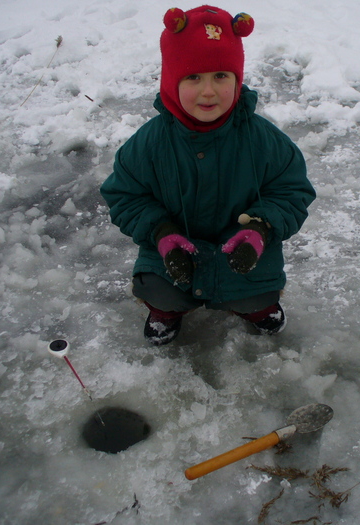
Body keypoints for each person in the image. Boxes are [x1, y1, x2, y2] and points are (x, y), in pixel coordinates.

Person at [100, 5, 315, 345]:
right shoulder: (148, 144)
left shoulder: (265, 141)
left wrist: (261, 229)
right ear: (172, 79)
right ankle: (166, 310)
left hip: (243, 254)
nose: (209, 91)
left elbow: (292, 192)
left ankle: (254, 305)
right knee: (161, 290)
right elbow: (125, 196)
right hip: (170, 255)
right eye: (193, 77)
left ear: (237, 79)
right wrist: (162, 233)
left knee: (254, 294)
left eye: (220, 76)